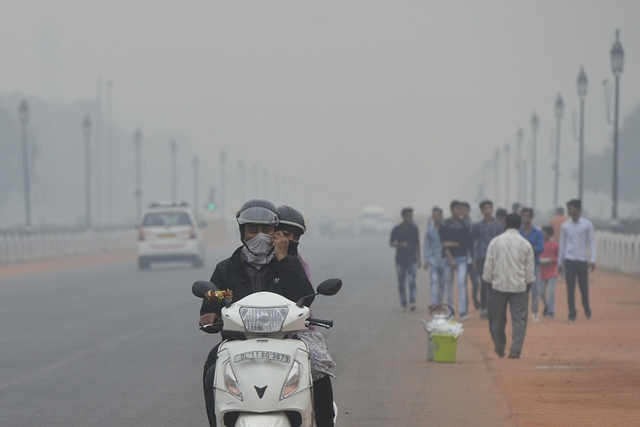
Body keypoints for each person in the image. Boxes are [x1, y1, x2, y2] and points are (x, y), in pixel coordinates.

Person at [199, 199, 314, 427]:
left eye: (267, 230)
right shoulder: (225, 269)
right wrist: (209, 315)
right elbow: (213, 299)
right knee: (212, 369)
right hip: (237, 342)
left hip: (284, 341)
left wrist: (283, 259)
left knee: (316, 372)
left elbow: (305, 297)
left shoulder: (288, 264)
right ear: (242, 232)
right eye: (253, 230)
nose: (260, 236)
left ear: (276, 232)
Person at [276, 205, 335, 427]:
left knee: (318, 363)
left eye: (294, 237)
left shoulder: (297, 263)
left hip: (297, 332)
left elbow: (305, 296)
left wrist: (283, 258)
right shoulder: (251, 261)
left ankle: (326, 421)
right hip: (255, 333)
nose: (288, 240)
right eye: (283, 234)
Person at [483, 213, 535, 359]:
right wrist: (527, 287)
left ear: (505, 224)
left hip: (498, 286)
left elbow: (488, 268)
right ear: (520, 225)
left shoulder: (495, 242)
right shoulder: (525, 244)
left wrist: (489, 283)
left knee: (497, 320)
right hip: (520, 287)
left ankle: (499, 347)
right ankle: (515, 349)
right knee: (519, 320)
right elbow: (529, 272)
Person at [558, 199, 596, 322]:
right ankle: (572, 313)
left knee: (583, 287)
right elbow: (562, 244)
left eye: (571, 208)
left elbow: (592, 243)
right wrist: (560, 261)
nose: (569, 211)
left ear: (577, 209)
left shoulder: (587, 225)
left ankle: (586, 307)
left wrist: (593, 259)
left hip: (582, 259)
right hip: (569, 259)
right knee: (570, 288)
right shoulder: (565, 226)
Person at [440, 200, 472, 320]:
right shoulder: (445, 225)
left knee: (461, 284)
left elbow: (467, 243)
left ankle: (462, 311)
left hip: (462, 258)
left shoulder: (465, 225)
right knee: (449, 286)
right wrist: (451, 259)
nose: (459, 212)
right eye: (457, 209)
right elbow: (443, 244)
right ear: (451, 210)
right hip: (448, 258)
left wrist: (452, 243)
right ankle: (450, 311)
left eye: (460, 209)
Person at [472, 200, 504, 319]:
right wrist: (474, 258)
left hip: (496, 257)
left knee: (495, 284)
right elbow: (473, 242)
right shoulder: (478, 226)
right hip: (482, 257)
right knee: (484, 283)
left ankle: (494, 308)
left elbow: (502, 242)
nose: (487, 210)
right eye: (485, 208)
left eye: (489, 208)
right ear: (481, 211)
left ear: (492, 209)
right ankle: (484, 307)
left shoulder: (499, 226)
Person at [390, 207, 421, 311]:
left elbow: (417, 244)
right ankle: (403, 303)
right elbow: (391, 243)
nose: (410, 218)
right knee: (401, 282)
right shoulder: (397, 229)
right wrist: (400, 245)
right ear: (403, 217)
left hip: (412, 258)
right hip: (400, 259)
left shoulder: (414, 228)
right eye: (408, 216)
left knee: (412, 281)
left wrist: (419, 259)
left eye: (411, 216)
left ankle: (412, 301)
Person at [519, 208, 544, 322]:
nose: (525, 219)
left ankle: (534, 312)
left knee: (535, 290)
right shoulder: (519, 233)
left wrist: (529, 248)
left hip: (534, 264)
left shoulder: (538, 233)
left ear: (532, 217)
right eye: (523, 216)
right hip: (520, 265)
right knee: (521, 290)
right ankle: (521, 313)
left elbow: (540, 248)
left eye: (527, 216)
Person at [423, 206, 445, 307]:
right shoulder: (430, 230)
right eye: (434, 215)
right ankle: (434, 301)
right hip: (433, 260)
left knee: (442, 283)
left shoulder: (446, 228)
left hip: (444, 260)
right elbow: (426, 245)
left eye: (438, 215)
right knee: (434, 281)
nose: (436, 217)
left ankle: (440, 302)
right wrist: (426, 259)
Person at [460, 201, 480, 313]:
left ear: (468, 211)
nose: (462, 212)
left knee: (475, 282)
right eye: (460, 210)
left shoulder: (474, 225)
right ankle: (465, 305)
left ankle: (475, 298)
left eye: (464, 210)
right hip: (462, 258)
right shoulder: (458, 225)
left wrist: (475, 257)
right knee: (463, 283)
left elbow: (475, 242)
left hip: (472, 258)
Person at [540, 226, 559, 319]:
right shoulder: (539, 244)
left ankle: (551, 311)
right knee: (541, 292)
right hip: (541, 271)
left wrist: (553, 260)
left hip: (552, 271)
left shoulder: (554, 245)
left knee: (551, 292)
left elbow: (559, 257)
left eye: (545, 233)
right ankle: (546, 305)